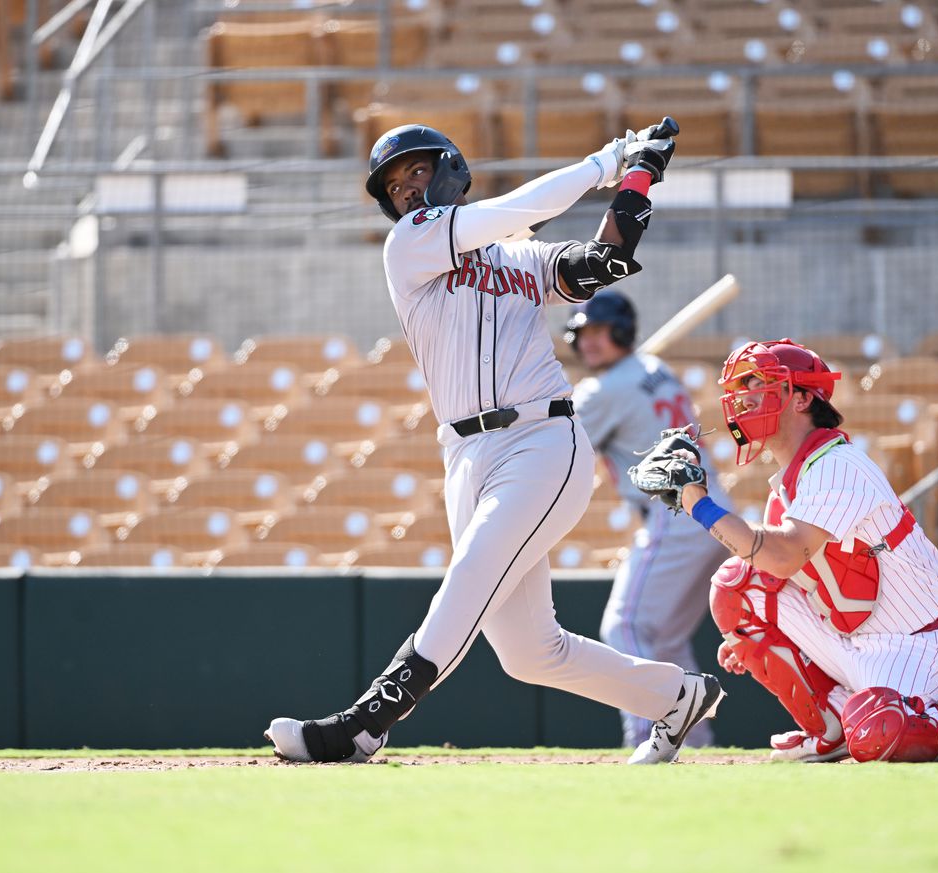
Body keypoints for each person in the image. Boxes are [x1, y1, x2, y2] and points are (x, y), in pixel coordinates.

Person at [263, 119, 724, 765]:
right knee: (531, 651)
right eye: (396, 186)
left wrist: (641, 173)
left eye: (418, 172)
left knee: (472, 572)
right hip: (464, 453)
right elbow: (513, 209)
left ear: (449, 167)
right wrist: (605, 160)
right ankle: (677, 696)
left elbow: (605, 261)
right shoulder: (409, 246)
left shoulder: (518, 256)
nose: (409, 192)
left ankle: (367, 722)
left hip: (541, 438)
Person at [628, 338, 938, 763]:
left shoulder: (838, 464)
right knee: (736, 586)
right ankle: (830, 732)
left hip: (925, 647)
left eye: (757, 385)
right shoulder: (783, 491)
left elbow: (783, 554)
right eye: (738, 390)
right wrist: (760, 640)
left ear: (799, 398)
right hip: (854, 644)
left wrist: (697, 503)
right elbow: (775, 574)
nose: (742, 400)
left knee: (877, 734)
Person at [563, 290, 729, 749]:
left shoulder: (603, 389)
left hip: (673, 512)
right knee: (665, 640)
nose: (590, 342)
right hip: (712, 513)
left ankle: (649, 734)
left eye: (599, 331)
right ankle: (695, 743)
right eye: (584, 334)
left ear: (620, 331)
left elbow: (561, 447)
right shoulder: (656, 371)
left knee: (626, 628)